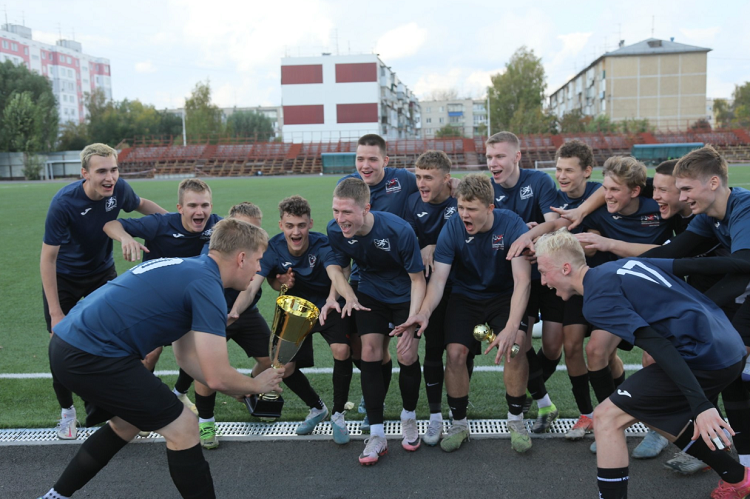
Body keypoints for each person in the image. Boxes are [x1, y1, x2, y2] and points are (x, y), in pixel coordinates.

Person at [39, 218, 285, 499]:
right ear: (241, 258)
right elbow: (216, 376)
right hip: (91, 353)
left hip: (67, 344)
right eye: (258, 260)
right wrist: (255, 385)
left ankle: (55, 497)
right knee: (184, 427)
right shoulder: (207, 286)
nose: (258, 269)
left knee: (127, 423)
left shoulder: (192, 268)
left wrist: (237, 387)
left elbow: (186, 356)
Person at [535, 228, 749, 499]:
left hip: (706, 357)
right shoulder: (622, 265)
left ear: (566, 268)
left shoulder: (595, 300)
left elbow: (659, 345)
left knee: (606, 418)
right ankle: (736, 477)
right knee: (648, 408)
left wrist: (701, 405)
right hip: (730, 345)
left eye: (544, 271)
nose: (543, 281)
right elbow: (693, 264)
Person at [395, 174, 533, 454]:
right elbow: (439, 280)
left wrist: (510, 326)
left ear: (490, 208)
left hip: (503, 296)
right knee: (456, 353)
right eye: (460, 208)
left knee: (515, 347)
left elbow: (523, 281)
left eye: (471, 209)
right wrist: (423, 312)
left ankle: (516, 421)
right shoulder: (453, 228)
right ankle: (459, 424)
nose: (464, 214)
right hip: (466, 298)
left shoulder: (511, 225)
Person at [40, 143, 166, 440]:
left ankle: (125, 409)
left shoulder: (118, 189)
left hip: (101, 273)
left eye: (113, 169)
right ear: (84, 173)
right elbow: (48, 258)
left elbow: (142, 203)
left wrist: (175, 224)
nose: (110, 177)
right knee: (60, 346)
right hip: (64, 279)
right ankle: (67, 412)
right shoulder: (64, 203)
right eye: (101, 172)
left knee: (120, 341)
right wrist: (56, 312)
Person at [639, 145, 750, 471]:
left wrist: (698, 306)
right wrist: (615, 269)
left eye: (687, 188)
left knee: (733, 370)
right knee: (730, 373)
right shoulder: (707, 217)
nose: (682, 196)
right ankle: (734, 464)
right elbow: (674, 251)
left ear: (713, 182)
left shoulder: (743, 207)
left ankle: (739, 467)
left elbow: (744, 263)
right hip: (743, 290)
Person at [229, 196, 356, 445]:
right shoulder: (272, 247)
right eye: (290, 226)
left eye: (301, 225)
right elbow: (252, 287)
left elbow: (335, 273)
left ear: (310, 223)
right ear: (281, 225)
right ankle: (317, 408)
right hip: (296, 309)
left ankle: (339, 414)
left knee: (342, 350)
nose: (295, 231)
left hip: (327, 306)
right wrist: (234, 311)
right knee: (284, 368)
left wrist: (347, 296)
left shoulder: (322, 243)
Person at [328, 178, 426, 465]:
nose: (340, 219)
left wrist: (412, 319)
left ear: (366, 208)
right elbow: (339, 269)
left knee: (407, 354)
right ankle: (377, 434)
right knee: (369, 352)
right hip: (370, 293)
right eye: (336, 211)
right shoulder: (335, 230)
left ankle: (409, 418)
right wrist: (343, 296)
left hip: (404, 295)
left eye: (347, 212)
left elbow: (418, 279)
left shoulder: (399, 230)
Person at [103, 178, 222, 414]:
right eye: (192, 206)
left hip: (187, 303)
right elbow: (110, 224)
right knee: (150, 355)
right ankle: (135, 409)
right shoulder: (161, 224)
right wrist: (126, 238)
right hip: (153, 303)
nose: (200, 211)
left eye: (205, 205)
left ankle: (184, 397)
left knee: (198, 353)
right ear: (180, 208)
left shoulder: (217, 226)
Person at [485, 131, 561, 432]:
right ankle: (543, 401)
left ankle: (532, 389)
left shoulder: (539, 181)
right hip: (518, 280)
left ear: (517, 156)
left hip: (548, 274)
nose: (493, 163)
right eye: (489, 157)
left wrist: (532, 234)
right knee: (520, 342)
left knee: (554, 346)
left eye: (500, 156)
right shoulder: (487, 189)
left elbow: (554, 225)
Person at [403, 150, 458, 446]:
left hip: (461, 289)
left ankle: (456, 410)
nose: (421, 183)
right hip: (428, 289)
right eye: (418, 176)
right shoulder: (412, 202)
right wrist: (423, 247)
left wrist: (434, 245)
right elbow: (406, 239)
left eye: (428, 177)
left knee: (461, 350)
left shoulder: (461, 200)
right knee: (434, 350)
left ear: (447, 179)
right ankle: (436, 416)